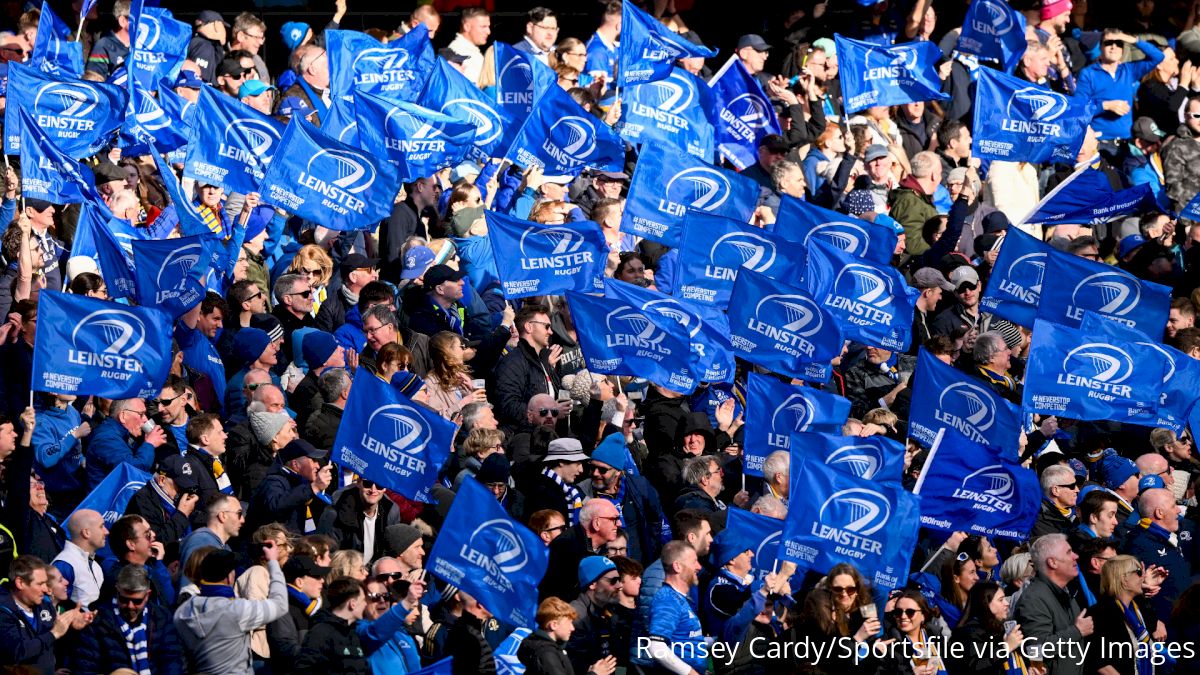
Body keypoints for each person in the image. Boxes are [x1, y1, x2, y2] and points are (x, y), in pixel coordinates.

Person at [174, 545, 288, 675]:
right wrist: (273, 562)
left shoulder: (182, 612)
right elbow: (280, 604)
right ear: (229, 577)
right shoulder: (237, 610)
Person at [75, 564, 183, 675]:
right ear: (117, 591)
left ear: (147, 595)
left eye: (137, 601)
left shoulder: (162, 618)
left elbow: (171, 660)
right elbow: (86, 666)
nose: (130, 606)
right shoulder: (98, 621)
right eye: (124, 599)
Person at [1013, 534, 1094, 675]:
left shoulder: (1064, 592)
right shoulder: (1034, 599)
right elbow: (1036, 648)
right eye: (1069, 552)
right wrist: (1077, 631)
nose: (1076, 556)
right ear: (1052, 562)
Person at [0, 555, 91, 671]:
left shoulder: (44, 605)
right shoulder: (3, 612)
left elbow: (53, 644)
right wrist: (53, 633)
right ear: (20, 583)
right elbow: (17, 653)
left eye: (46, 583)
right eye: (40, 584)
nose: (45, 589)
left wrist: (72, 627)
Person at [642, 541, 706, 675]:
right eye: (694, 562)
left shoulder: (680, 599)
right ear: (677, 566)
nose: (699, 566)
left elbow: (686, 640)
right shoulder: (667, 599)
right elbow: (657, 647)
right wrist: (691, 673)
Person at [541, 499, 622, 602]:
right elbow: (559, 597)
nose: (619, 523)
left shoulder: (603, 547)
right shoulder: (566, 547)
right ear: (596, 523)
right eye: (614, 519)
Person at [946, 582, 1031, 674]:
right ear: (985, 603)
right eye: (1001, 600)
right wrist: (1005, 648)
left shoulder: (999, 629)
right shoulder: (968, 633)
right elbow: (975, 667)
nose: (1007, 603)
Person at [294, 577, 369, 674]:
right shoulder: (321, 632)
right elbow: (303, 669)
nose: (366, 604)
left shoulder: (353, 633)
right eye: (363, 600)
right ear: (352, 604)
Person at [51, 508, 107, 608]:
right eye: (101, 526)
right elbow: (55, 606)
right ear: (86, 533)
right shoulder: (65, 564)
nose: (106, 532)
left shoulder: (95, 565)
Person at [446, 591, 496, 675]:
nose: (494, 604)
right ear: (480, 604)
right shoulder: (469, 638)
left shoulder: (463, 629)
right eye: (490, 599)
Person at [1033, 464, 1080, 538]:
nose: (1077, 490)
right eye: (1072, 486)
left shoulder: (1079, 512)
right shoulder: (1038, 521)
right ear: (1055, 490)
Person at [447, 7, 490, 84]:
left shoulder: (470, 50)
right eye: (483, 27)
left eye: (488, 26)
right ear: (467, 27)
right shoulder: (457, 52)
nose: (488, 31)